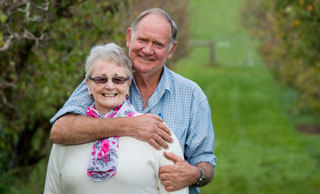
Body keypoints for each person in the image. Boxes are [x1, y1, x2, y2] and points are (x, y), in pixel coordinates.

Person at [50, 8, 216, 194]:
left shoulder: (192, 95)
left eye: (158, 44)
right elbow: (60, 130)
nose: (147, 50)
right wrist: (130, 125)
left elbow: (206, 161)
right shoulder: (103, 83)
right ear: (129, 37)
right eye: (142, 40)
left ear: (171, 49)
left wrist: (196, 174)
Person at [44, 43, 188, 194]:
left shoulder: (156, 132)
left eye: (118, 79)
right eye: (101, 79)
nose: (110, 86)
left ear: (128, 84)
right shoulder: (68, 137)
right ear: (88, 85)